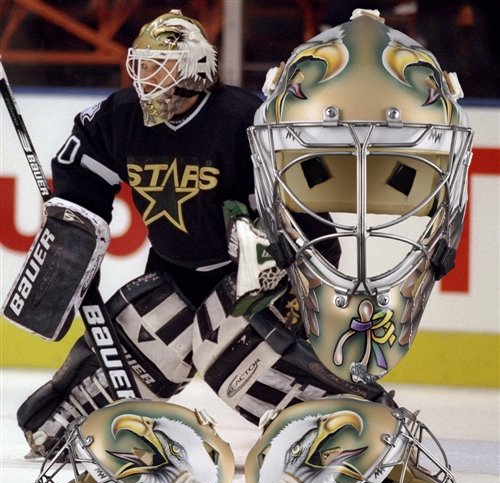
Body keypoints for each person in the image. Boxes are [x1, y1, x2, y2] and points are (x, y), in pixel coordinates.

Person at [15, 9, 394, 459]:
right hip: (173, 274)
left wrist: (295, 274)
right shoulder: (119, 117)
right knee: (92, 391)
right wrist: (75, 227)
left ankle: (361, 420)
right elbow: (82, 169)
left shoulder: (245, 120)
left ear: (194, 69)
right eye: (143, 64)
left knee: (234, 358)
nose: (146, 77)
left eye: (161, 65)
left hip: (252, 281)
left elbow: (307, 214)